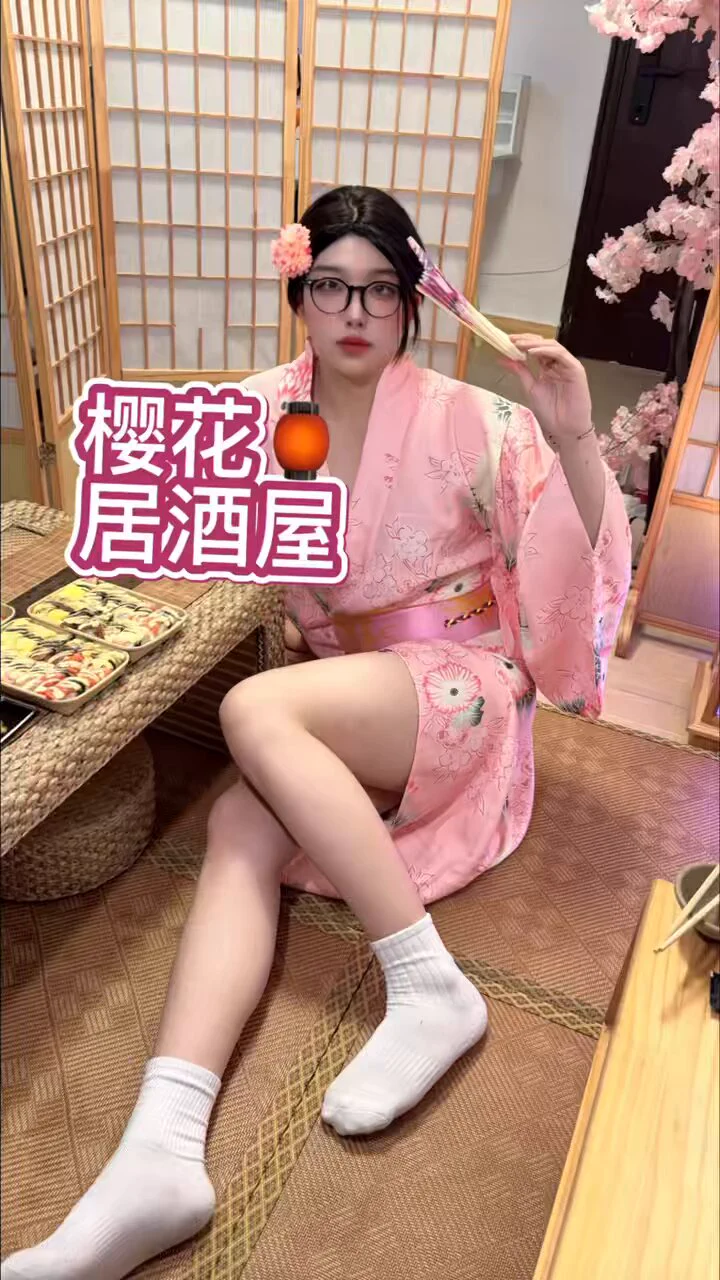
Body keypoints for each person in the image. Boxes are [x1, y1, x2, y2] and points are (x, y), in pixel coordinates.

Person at [2, 187, 631, 1280]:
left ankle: (428, 983)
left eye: (381, 290)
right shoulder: (260, 410)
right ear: (300, 294)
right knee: (240, 826)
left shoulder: (473, 420)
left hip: (459, 684)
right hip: (341, 699)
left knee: (254, 709)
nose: (354, 311)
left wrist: (573, 430)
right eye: (331, 285)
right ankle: (161, 1149)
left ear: (411, 306)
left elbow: (579, 557)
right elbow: (162, 507)